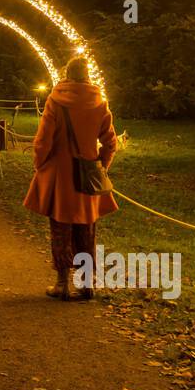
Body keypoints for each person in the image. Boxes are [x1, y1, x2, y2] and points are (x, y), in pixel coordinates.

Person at [22, 55, 118, 300]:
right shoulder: (100, 102)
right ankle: (86, 285)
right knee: (86, 229)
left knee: (60, 228)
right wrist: (101, 166)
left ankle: (62, 283)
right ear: (87, 75)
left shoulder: (57, 100)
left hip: (60, 174)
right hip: (87, 174)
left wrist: (40, 163)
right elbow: (110, 142)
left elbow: (43, 140)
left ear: (67, 74)